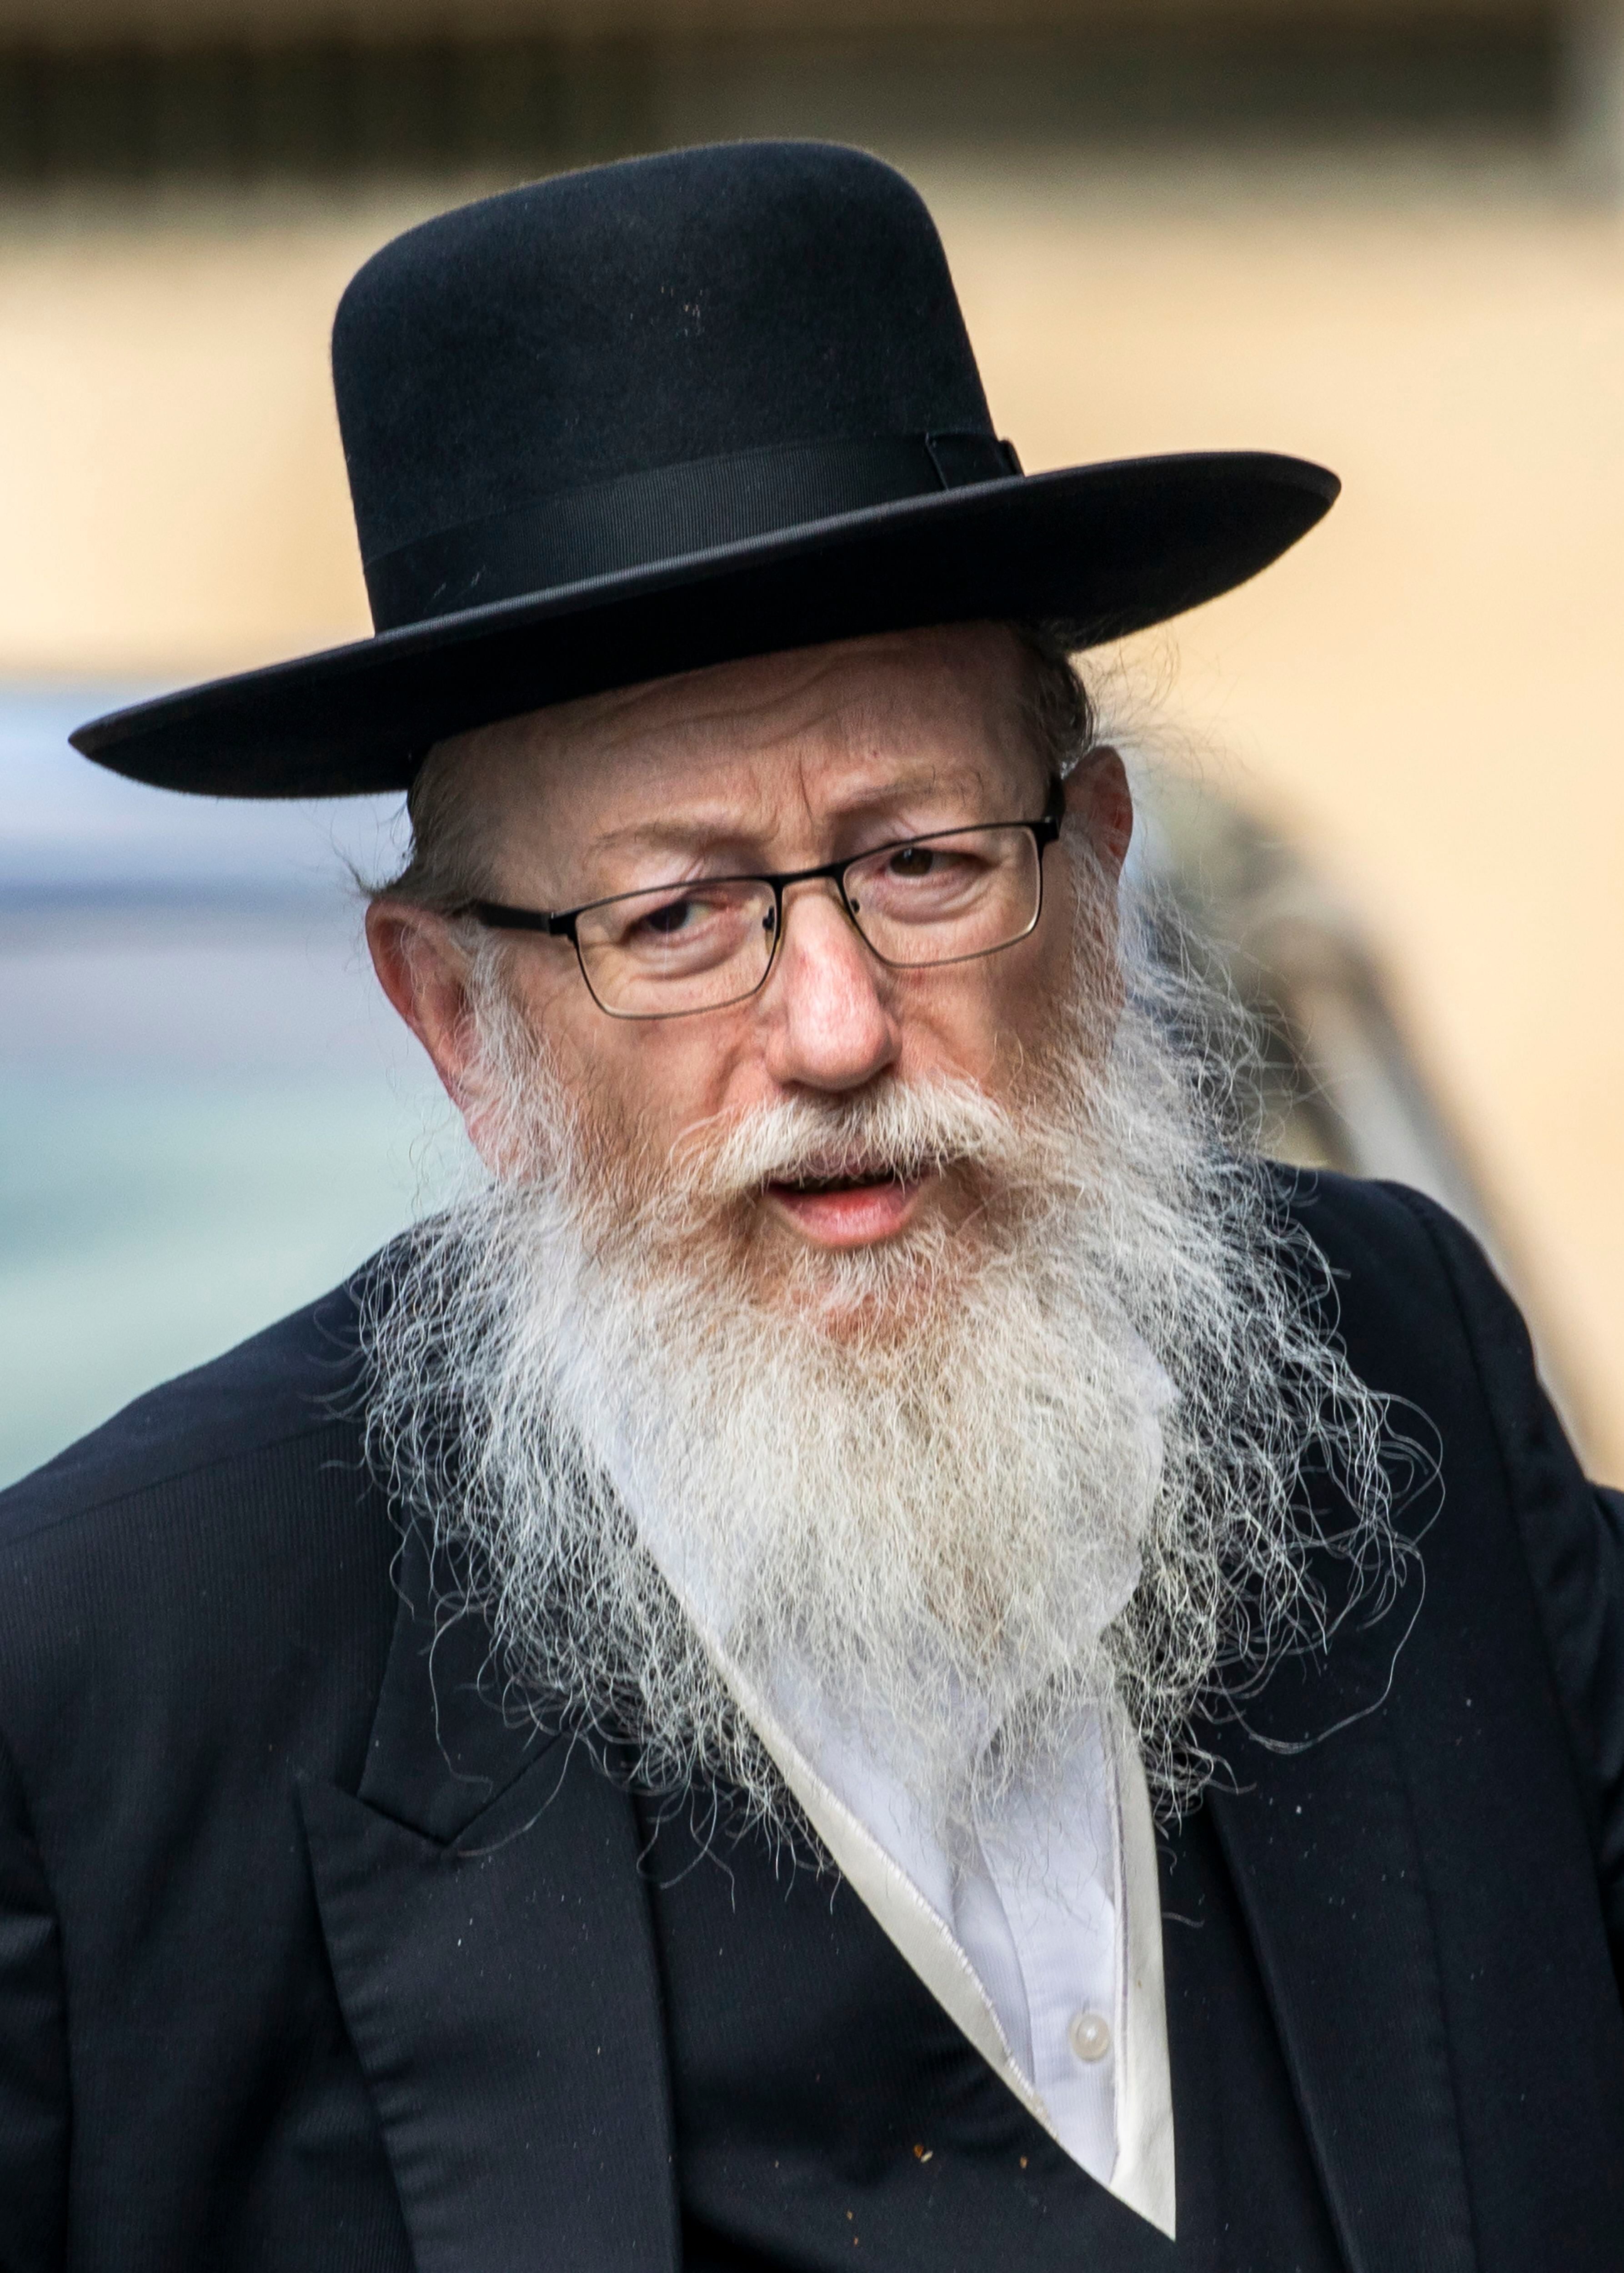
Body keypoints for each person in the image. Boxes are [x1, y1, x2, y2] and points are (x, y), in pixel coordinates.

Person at [2, 140, 1620, 2273]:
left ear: (1094, 871)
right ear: (458, 1020)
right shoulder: (112, 1676)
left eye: (923, 862)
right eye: (673, 917)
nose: (836, 1026)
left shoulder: (1397, 1364)